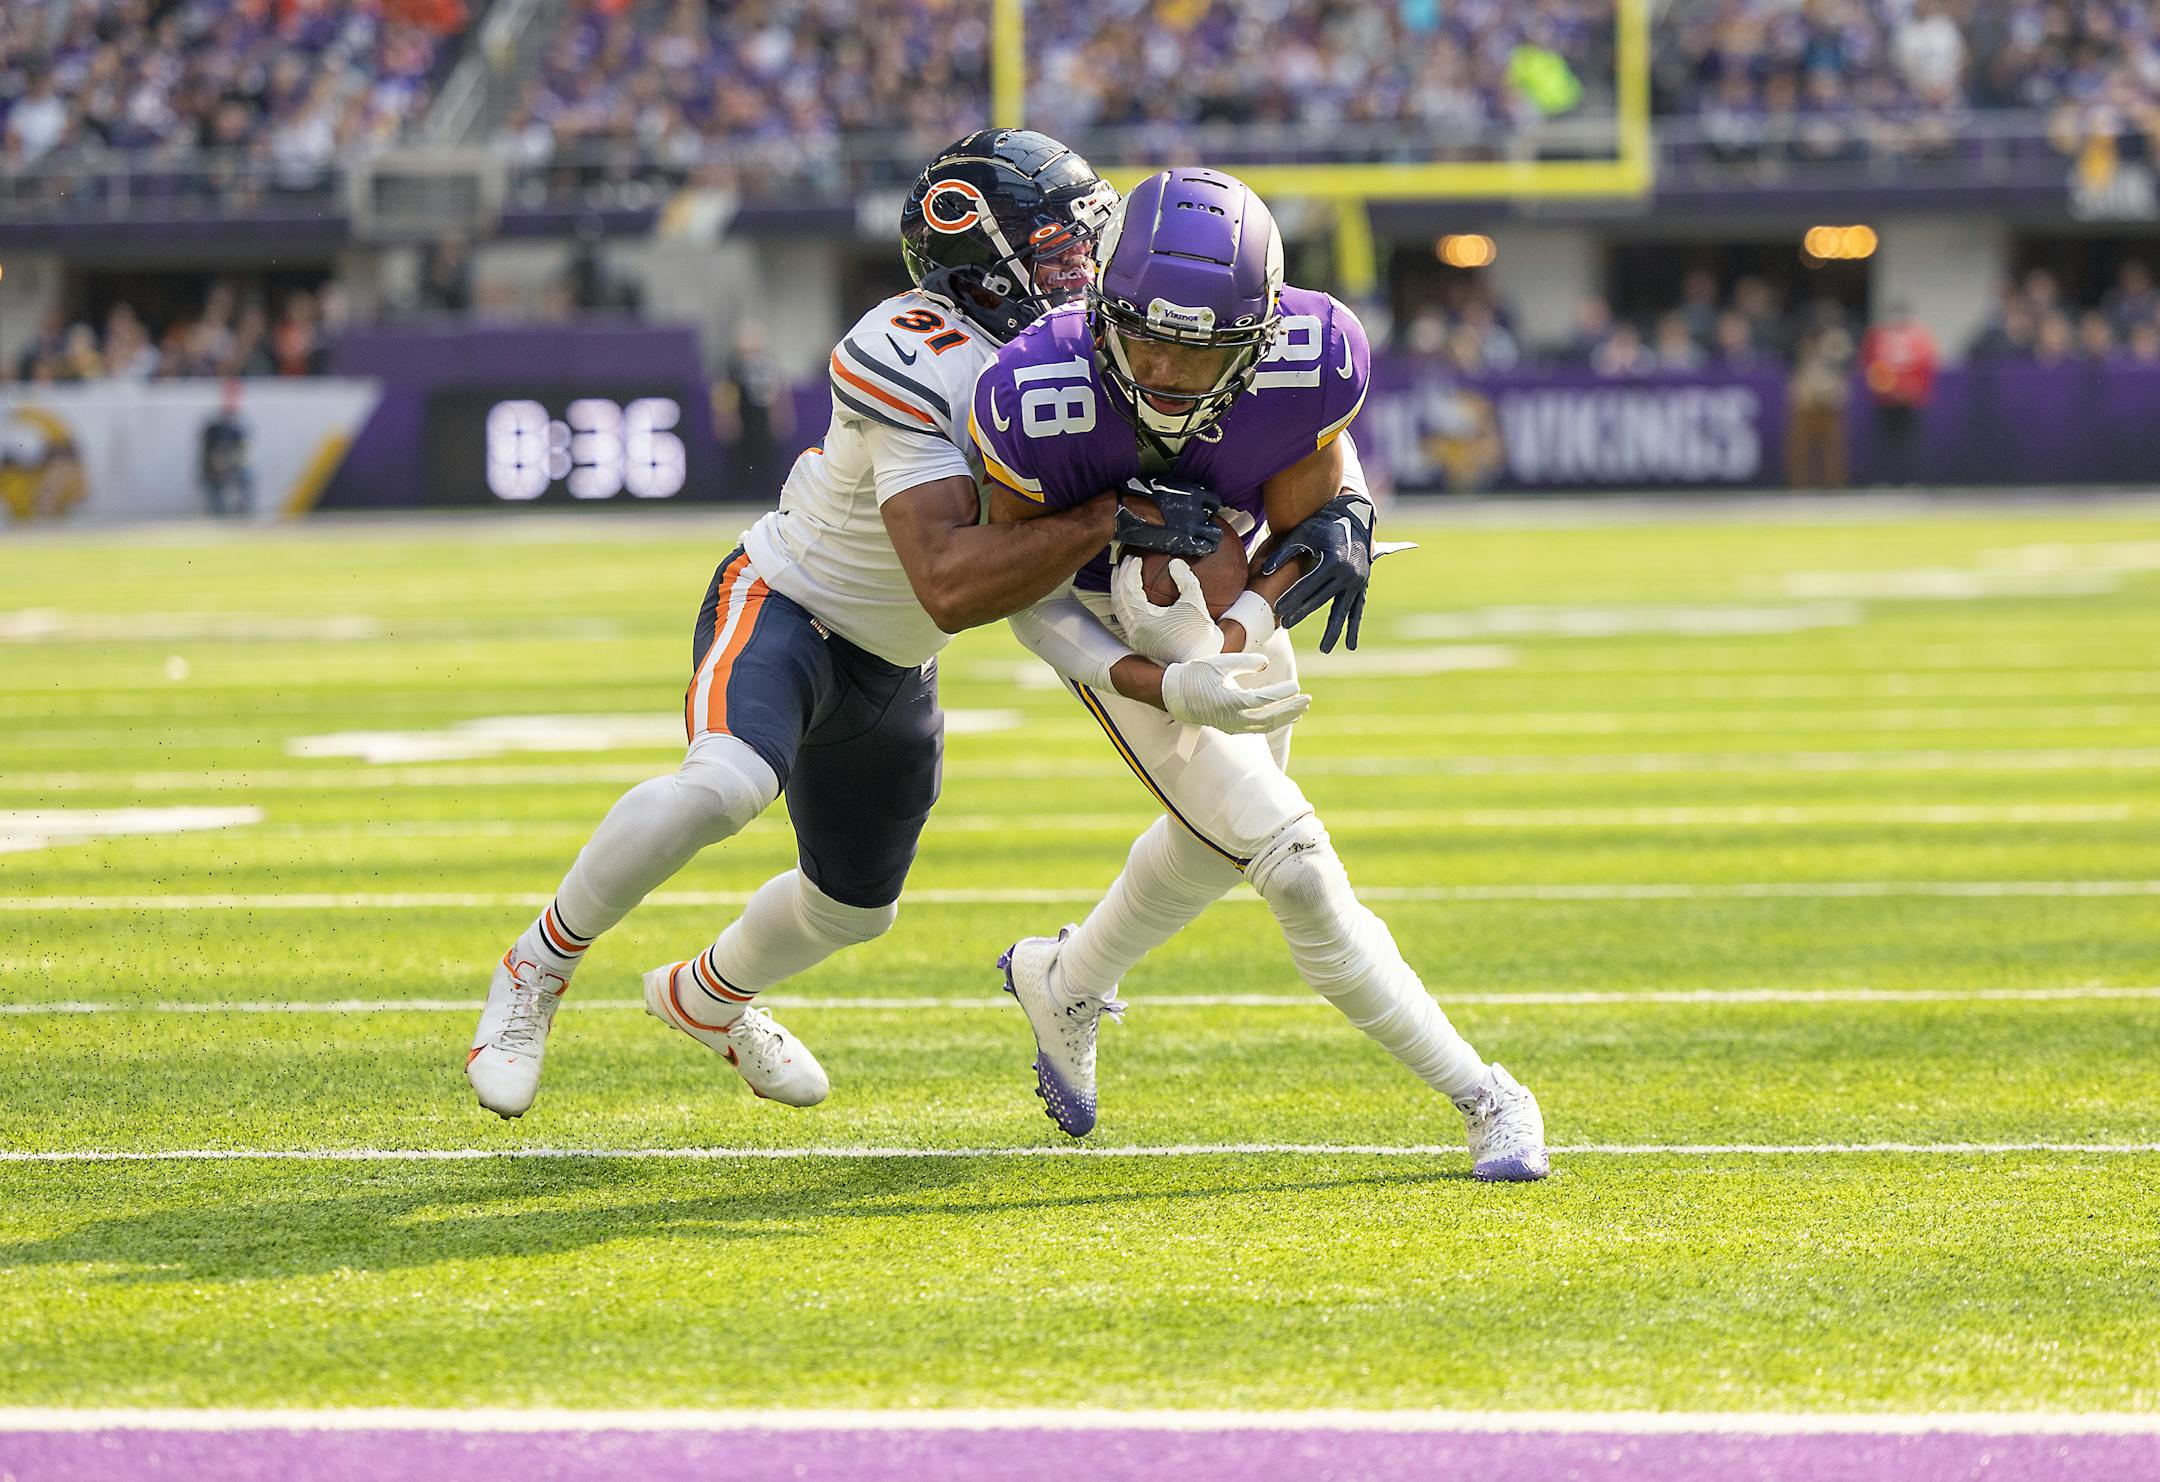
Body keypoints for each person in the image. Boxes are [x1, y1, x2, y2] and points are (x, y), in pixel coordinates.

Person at [465, 131, 1290, 1119]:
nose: (1089, 270)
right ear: (981, 266)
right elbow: (945, 577)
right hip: (790, 606)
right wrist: (1112, 519)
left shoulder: (1099, 355)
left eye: (1088, 245)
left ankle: (707, 998)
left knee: (853, 910)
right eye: (1061, 251)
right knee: (725, 785)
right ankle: (536, 968)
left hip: (896, 667)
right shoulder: (912, 349)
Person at [971, 168, 1549, 1181]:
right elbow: (1023, 593)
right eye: (1146, 338)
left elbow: (1308, 507)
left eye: (1202, 352)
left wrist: (1247, 616)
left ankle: (1064, 980)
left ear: (1263, 330)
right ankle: (1486, 1093)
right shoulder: (1036, 390)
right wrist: (1153, 683)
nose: (1165, 372)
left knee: (1213, 844)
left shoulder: (1309, 357)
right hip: (1109, 615)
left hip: (1229, 604)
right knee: (1292, 861)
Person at [1858, 299, 1938, 486]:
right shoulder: (1878, 336)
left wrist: (1915, 391)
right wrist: (1882, 388)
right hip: (1885, 400)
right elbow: (1870, 363)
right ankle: (1882, 481)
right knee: (1884, 444)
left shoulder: (1919, 337)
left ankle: (1913, 481)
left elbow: (1926, 365)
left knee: (1910, 444)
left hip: (1910, 400)